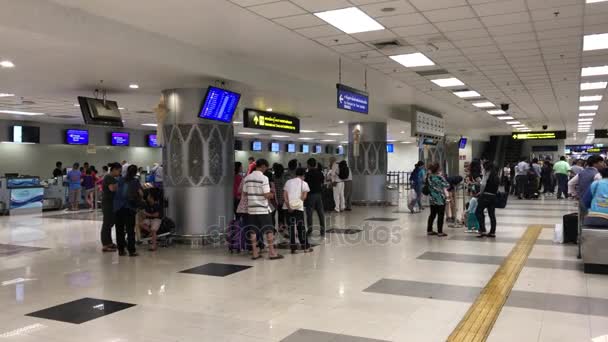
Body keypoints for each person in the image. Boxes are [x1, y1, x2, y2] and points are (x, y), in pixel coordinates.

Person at [243, 159, 283, 260]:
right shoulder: (264, 178)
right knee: (269, 230)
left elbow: (244, 193)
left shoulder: (247, 178)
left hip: (251, 209)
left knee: (253, 231)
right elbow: (266, 194)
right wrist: (272, 194)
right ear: (263, 166)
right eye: (266, 167)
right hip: (262, 209)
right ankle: (272, 253)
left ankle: (255, 253)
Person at [114, 164, 143, 257]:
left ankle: (121, 250)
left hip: (118, 207)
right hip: (129, 207)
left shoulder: (119, 179)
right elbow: (141, 193)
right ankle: (131, 250)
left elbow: (115, 191)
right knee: (130, 230)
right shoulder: (135, 181)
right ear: (135, 172)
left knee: (119, 230)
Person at [284, 167, 312, 254]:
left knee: (291, 228)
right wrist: (297, 202)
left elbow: (285, 195)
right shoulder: (304, 184)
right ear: (303, 175)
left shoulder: (288, 182)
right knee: (301, 227)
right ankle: (305, 247)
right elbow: (304, 197)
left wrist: (289, 206)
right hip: (298, 208)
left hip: (287, 208)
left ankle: (293, 248)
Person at [100, 163, 120, 252]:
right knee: (107, 223)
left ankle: (109, 242)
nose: (119, 173)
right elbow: (112, 188)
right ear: (114, 169)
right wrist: (120, 184)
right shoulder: (109, 177)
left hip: (111, 203)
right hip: (107, 203)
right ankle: (105, 245)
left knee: (110, 222)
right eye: (119, 171)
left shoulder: (111, 178)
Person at [477, 162, 500, 238]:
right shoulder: (496, 175)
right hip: (493, 197)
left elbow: (483, 184)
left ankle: (483, 230)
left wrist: (480, 193)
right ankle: (492, 232)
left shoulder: (487, 174)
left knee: (478, 212)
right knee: (492, 214)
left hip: (485, 196)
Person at [426, 162, 449, 237]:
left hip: (432, 198)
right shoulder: (440, 177)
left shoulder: (429, 177)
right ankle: (440, 232)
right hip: (440, 199)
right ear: (437, 169)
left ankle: (429, 230)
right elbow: (447, 185)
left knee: (432, 214)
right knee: (440, 215)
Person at [304, 158, 326, 236]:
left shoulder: (307, 174)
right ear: (315, 164)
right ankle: (322, 230)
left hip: (310, 195)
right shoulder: (320, 173)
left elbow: (305, 185)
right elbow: (322, 182)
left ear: (308, 165)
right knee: (320, 213)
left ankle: (310, 230)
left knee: (309, 213)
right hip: (319, 195)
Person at [273, 163, 287, 232]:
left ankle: (277, 226)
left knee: (275, 213)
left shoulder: (273, 177)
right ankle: (282, 226)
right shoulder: (283, 177)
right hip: (282, 197)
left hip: (275, 197)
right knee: (282, 213)